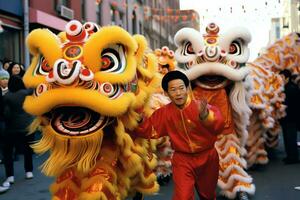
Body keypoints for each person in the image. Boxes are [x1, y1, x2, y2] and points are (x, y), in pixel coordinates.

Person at [134, 70, 224, 200]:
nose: (178, 93)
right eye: (173, 90)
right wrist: (140, 120)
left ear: (187, 88)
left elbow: (219, 126)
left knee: (208, 195)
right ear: (166, 93)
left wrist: (205, 116)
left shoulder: (200, 107)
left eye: (181, 88)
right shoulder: (164, 113)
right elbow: (150, 129)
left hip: (208, 157)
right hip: (182, 160)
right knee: (183, 196)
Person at [1, 75, 35, 193]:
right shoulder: (26, 93)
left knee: (8, 153)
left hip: (11, 128)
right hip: (27, 126)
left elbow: (4, 113)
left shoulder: (6, 97)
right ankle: (29, 172)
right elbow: (34, 88)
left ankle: (10, 176)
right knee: (28, 150)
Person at [280, 70, 300, 164]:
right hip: (287, 118)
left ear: (287, 78)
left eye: (282, 77)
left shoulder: (291, 88)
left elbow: (291, 104)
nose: (280, 79)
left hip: (291, 118)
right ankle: (289, 156)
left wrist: (282, 105)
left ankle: (293, 158)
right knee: (287, 138)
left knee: (291, 138)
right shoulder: (286, 87)